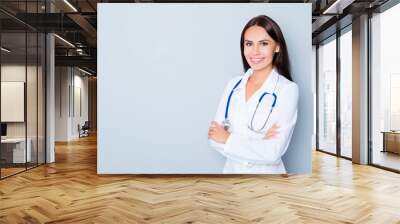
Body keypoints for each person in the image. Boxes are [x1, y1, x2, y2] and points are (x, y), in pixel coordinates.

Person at [208, 15, 299, 174]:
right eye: (249, 44)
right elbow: (214, 138)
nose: (255, 51)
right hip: (231, 177)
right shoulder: (233, 85)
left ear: (277, 46)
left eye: (263, 43)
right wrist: (258, 143)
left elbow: (273, 152)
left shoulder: (287, 90)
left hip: (268, 183)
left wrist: (228, 139)